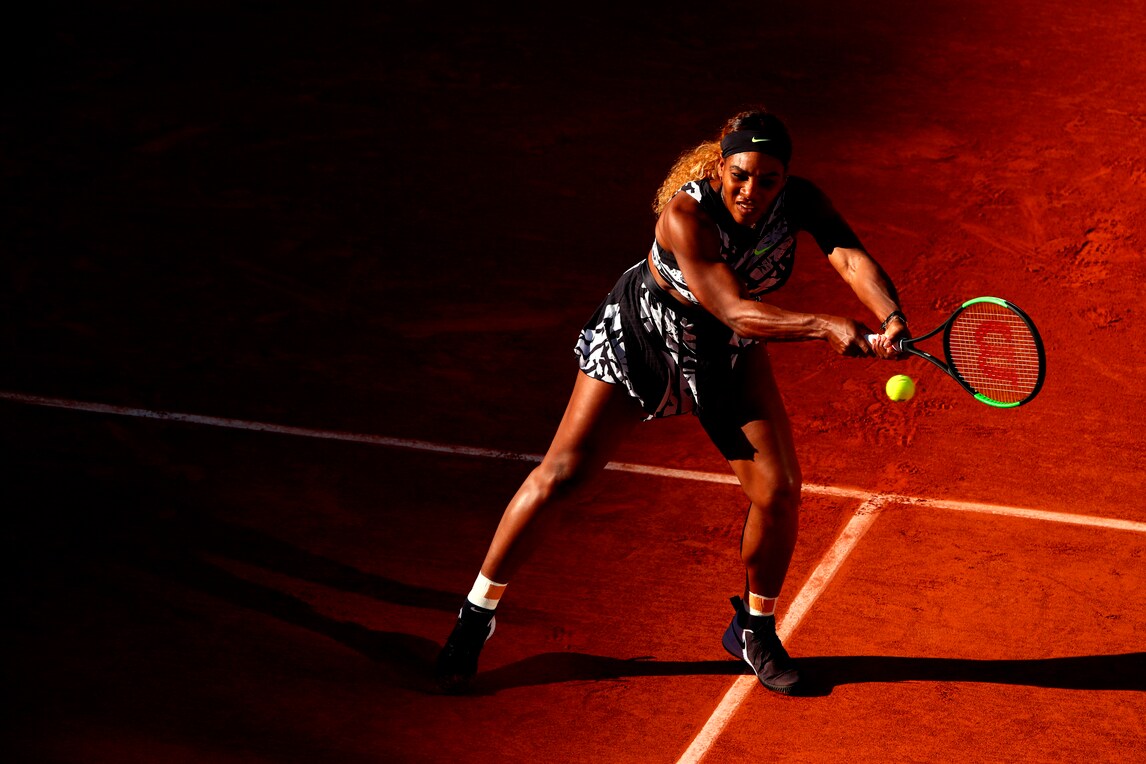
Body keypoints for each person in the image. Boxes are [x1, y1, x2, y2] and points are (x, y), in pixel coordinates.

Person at [434, 108, 909, 696]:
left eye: (768, 180)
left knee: (779, 491)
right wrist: (824, 325)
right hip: (643, 339)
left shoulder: (800, 203)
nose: (752, 190)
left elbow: (848, 257)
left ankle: (754, 629)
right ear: (718, 167)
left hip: (724, 353)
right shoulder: (685, 217)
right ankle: (476, 615)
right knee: (562, 476)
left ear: (785, 179)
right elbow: (734, 309)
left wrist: (890, 314)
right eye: (740, 174)